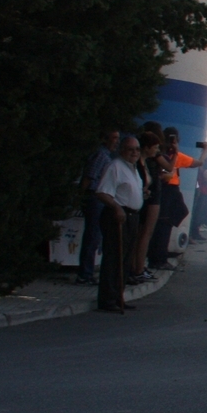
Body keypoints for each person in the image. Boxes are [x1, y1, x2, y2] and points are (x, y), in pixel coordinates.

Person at [93, 134, 144, 314]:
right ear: (122, 150)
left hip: (132, 216)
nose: (135, 152)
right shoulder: (115, 166)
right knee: (114, 258)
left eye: (137, 149)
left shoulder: (133, 168)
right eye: (130, 149)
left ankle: (118, 296)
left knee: (126, 259)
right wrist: (116, 207)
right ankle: (107, 299)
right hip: (118, 216)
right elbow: (102, 192)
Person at [149, 127, 204, 269]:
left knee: (173, 216)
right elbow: (168, 169)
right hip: (167, 189)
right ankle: (158, 256)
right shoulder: (164, 155)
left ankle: (158, 252)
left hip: (168, 189)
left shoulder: (167, 154)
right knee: (165, 222)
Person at [76, 129, 120, 285]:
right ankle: (85, 274)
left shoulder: (107, 156)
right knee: (92, 236)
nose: (117, 141)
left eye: (118, 138)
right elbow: (89, 176)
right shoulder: (101, 156)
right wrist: (80, 197)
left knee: (95, 236)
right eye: (114, 138)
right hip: (95, 198)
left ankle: (87, 272)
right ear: (105, 139)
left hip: (100, 199)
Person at [129, 132, 163, 285]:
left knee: (142, 235)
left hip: (144, 200)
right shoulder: (138, 165)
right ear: (147, 147)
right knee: (142, 235)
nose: (157, 150)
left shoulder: (147, 163)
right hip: (140, 205)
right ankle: (136, 268)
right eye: (155, 147)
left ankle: (137, 267)